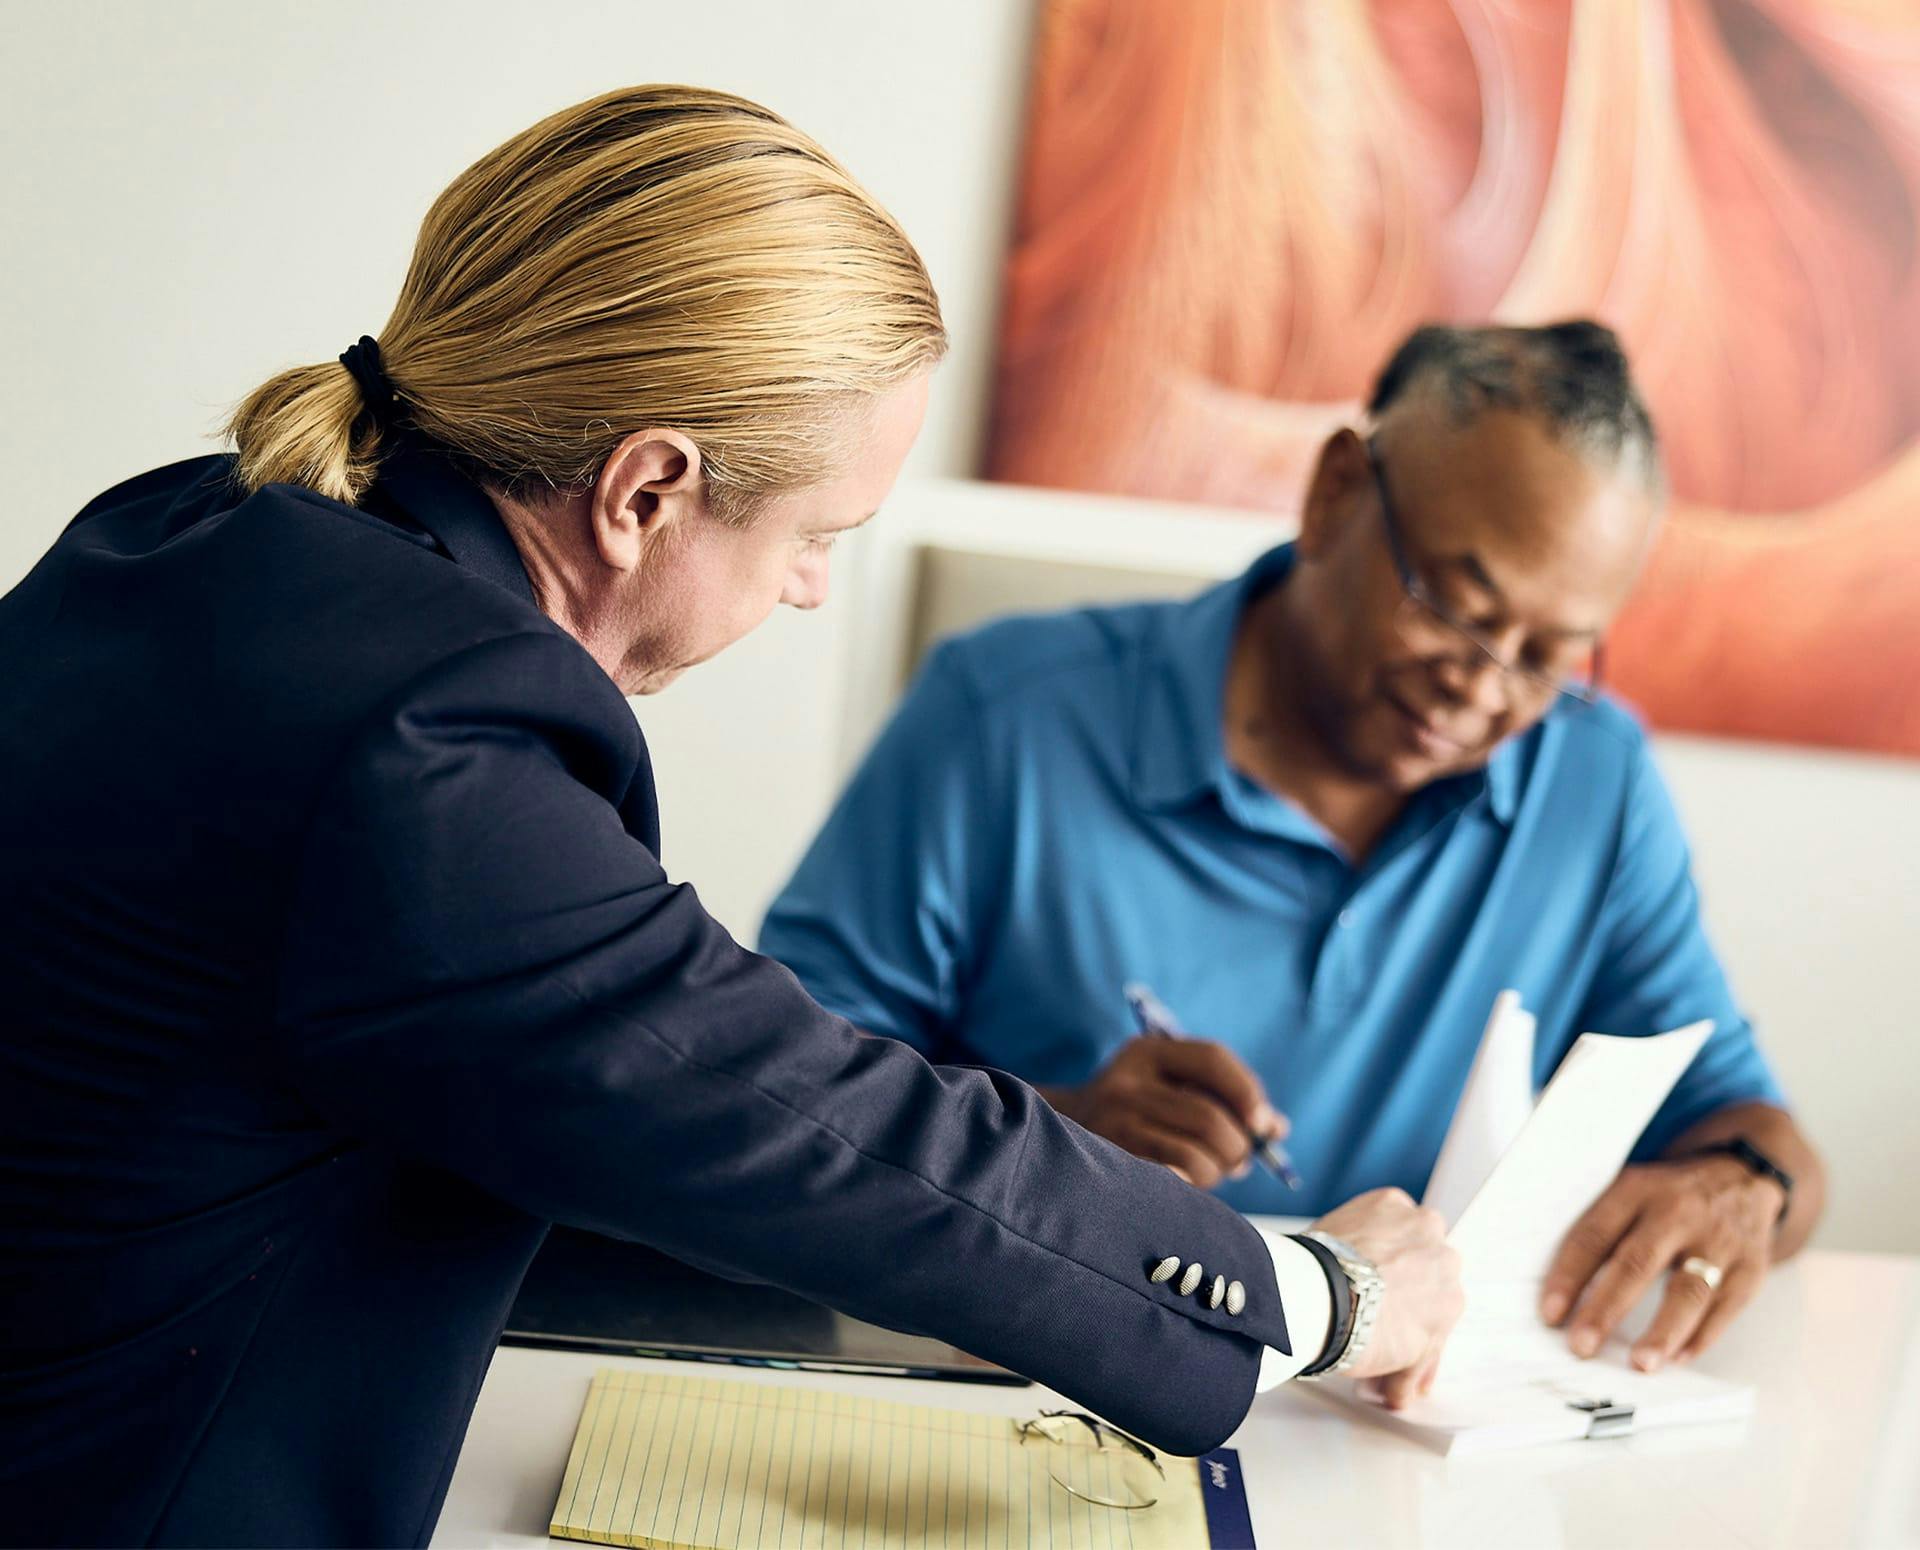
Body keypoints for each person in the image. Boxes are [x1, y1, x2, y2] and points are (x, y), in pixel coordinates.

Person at [0, 87, 1463, 1549]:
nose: (816, 587)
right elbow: (792, 1103)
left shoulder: (189, 530)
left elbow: (580, 1093)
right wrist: (1317, 1294)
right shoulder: (423, 746)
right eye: (815, 536)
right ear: (648, 491)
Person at [762, 320, 1826, 1380]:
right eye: (1457, 606)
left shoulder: (1592, 778)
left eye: (1548, 655)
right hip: (1031, 1380)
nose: (1484, 682)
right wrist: (1056, 1139)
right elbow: (776, 1097)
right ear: (1336, 493)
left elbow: (1748, 1124)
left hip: (1384, 1424)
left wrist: (1741, 1187)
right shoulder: (1002, 715)